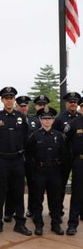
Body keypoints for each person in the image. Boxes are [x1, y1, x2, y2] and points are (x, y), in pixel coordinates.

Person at [0, 87, 32, 236]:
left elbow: (27, 138)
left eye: (11, 97)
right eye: (6, 98)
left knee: (19, 193)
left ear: (14, 100)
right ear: (2, 100)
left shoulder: (22, 117)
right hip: (2, 161)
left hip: (18, 160)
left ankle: (20, 223)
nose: (9, 100)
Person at [27, 107, 65, 236]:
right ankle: (38, 224)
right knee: (37, 199)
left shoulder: (59, 136)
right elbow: (29, 154)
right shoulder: (34, 136)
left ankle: (55, 224)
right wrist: (34, 170)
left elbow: (64, 154)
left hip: (54, 171)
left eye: (49, 118)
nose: (47, 121)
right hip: (39, 171)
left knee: (55, 199)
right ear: (40, 120)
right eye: (44, 118)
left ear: (53, 120)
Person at [52, 92, 81, 221]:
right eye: (70, 102)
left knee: (79, 186)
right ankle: (58, 211)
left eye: (75, 102)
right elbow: (55, 139)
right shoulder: (59, 119)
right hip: (64, 158)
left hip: (77, 158)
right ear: (66, 103)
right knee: (60, 185)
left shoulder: (81, 118)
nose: (73, 104)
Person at [64, 109, 83, 235]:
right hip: (80, 161)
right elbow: (64, 141)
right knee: (77, 193)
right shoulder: (73, 124)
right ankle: (72, 224)